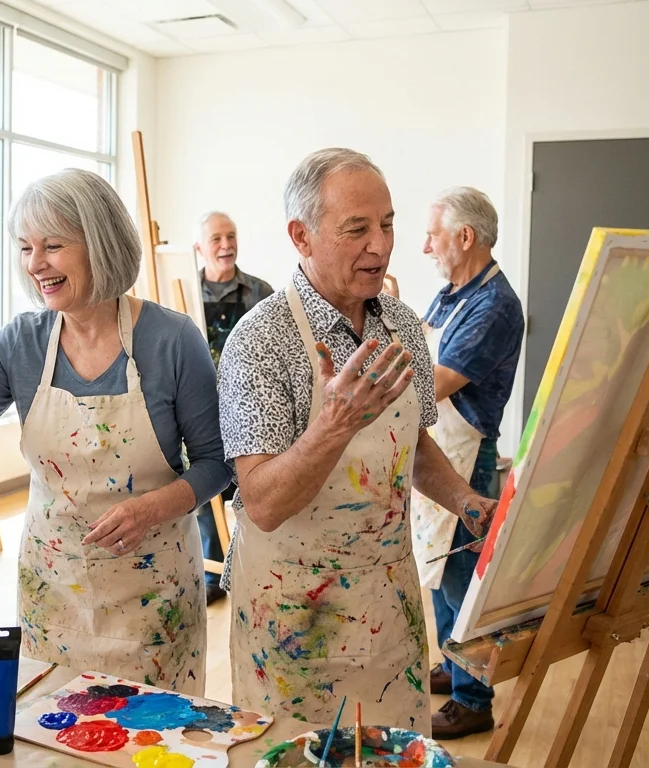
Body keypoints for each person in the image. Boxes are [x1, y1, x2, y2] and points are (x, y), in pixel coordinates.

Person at [0, 169, 228, 693]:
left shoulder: (172, 340)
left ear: (101, 245)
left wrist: (150, 508)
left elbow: (216, 464)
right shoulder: (21, 342)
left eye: (53, 245)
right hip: (53, 593)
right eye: (24, 248)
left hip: (153, 596)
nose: (35, 264)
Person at [217, 148, 497, 730]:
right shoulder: (260, 341)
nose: (382, 244)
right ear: (302, 235)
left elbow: (413, 446)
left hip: (387, 607)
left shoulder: (401, 328)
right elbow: (264, 503)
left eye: (388, 223)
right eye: (357, 229)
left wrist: (465, 501)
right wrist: (335, 424)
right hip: (295, 621)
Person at [416, 186, 523, 739]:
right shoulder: (451, 293)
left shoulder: (495, 305)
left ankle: (473, 698)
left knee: (462, 581)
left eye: (432, 235)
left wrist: (367, 400)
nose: (424, 246)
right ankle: (453, 665)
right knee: (439, 570)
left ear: (465, 237)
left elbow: (437, 381)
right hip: (442, 445)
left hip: (466, 454)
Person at [192, 211, 273, 605]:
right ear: (199, 248)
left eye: (231, 236)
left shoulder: (260, 292)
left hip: (250, 407)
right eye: (216, 239)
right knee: (204, 482)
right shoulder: (184, 294)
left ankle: (254, 562)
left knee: (252, 482)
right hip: (201, 405)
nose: (226, 245)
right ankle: (212, 569)